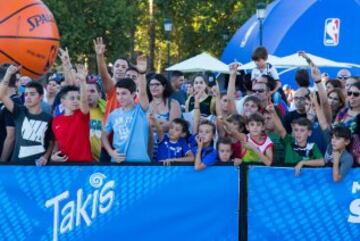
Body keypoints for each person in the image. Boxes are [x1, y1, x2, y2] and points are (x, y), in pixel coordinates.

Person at [0, 65, 53, 164]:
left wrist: (46, 157)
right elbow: (2, 95)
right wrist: (8, 74)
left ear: (41, 96)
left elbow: (51, 142)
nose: (28, 97)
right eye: (26, 94)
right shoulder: (19, 111)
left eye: (32, 94)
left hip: (37, 167)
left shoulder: (48, 118)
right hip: (16, 165)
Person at [102, 55, 150, 163]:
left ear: (133, 94)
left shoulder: (141, 110)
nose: (120, 97)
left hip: (139, 163)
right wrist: (111, 152)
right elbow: (104, 136)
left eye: (124, 93)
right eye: (118, 94)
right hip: (118, 164)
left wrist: (142, 73)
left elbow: (142, 93)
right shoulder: (113, 115)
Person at [51, 65, 93, 162]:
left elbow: (84, 101)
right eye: (72, 98)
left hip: (84, 165)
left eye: (77, 98)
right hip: (64, 167)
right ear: (63, 101)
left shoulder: (82, 114)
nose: (76, 101)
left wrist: (82, 82)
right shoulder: (56, 120)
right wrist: (53, 156)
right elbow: (56, 142)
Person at [0, 64, 22, 161]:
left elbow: (11, 137)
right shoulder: (3, 102)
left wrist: (2, 162)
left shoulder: (14, 103)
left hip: (5, 160)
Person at [87, 77, 106, 161]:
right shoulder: (77, 111)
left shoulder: (107, 111)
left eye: (92, 91)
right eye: (86, 91)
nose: (88, 94)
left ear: (99, 95)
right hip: (83, 162)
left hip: (103, 161)